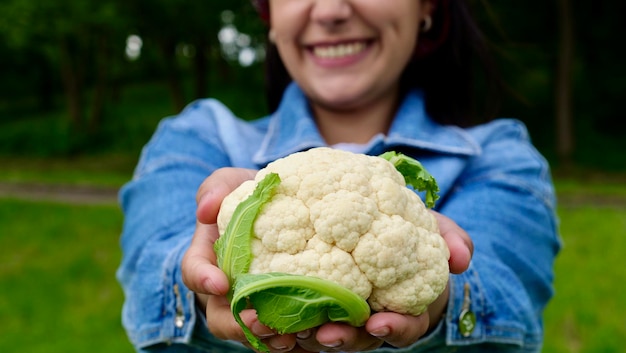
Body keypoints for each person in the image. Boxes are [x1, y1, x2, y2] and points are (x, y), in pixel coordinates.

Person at [116, 0, 561, 352]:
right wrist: (208, 279)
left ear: (427, 6)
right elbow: (150, 268)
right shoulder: (195, 136)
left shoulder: (499, 154)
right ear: (269, 14)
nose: (330, 10)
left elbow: (508, 290)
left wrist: (430, 292)